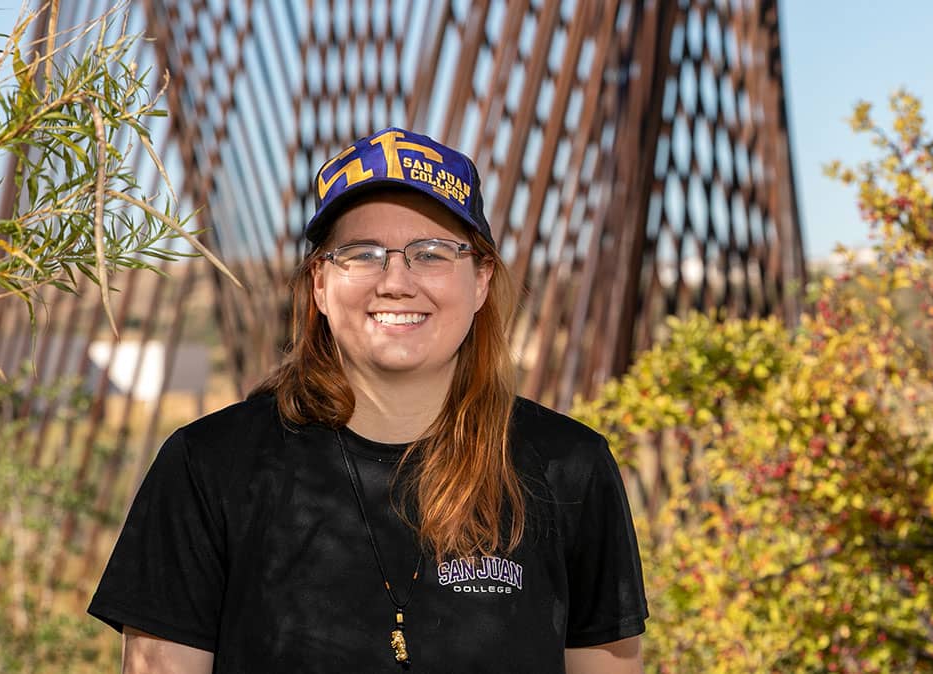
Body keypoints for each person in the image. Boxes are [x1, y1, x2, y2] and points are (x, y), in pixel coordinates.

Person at [88, 127, 649, 673]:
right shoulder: (208, 467)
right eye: (362, 253)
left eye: (430, 253)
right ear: (319, 286)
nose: (396, 281)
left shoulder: (568, 468)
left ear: (480, 281)